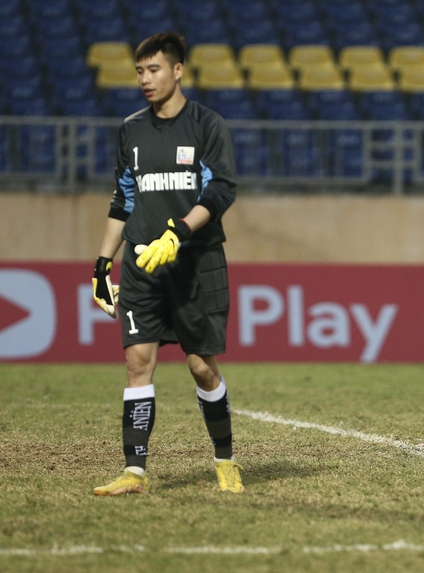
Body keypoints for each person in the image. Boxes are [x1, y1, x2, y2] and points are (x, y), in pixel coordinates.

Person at [91, 31, 243, 494]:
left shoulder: (206, 126)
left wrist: (179, 231)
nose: (145, 79)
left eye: (154, 69)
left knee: (201, 366)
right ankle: (134, 471)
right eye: (139, 71)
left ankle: (225, 460)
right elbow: (124, 200)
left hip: (194, 263)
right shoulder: (131, 130)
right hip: (141, 264)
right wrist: (102, 265)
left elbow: (219, 191)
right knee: (138, 362)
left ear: (178, 70)